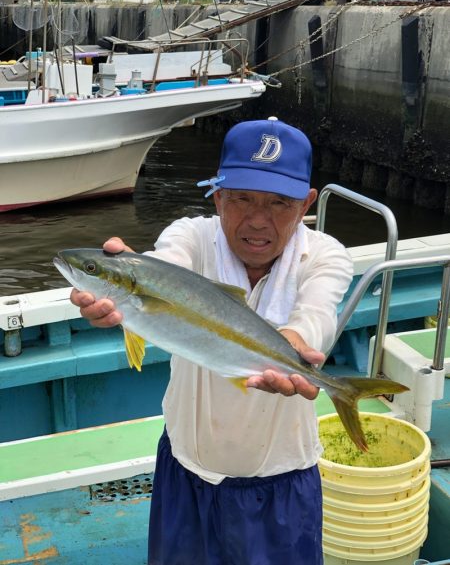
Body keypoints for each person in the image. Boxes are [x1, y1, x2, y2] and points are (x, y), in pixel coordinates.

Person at [70, 116, 354, 565]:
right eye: (241, 198)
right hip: (187, 471)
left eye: (280, 203)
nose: (258, 220)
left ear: (305, 205)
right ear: (218, 195)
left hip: (282, 480)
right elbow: (166, 265)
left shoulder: (324, 255)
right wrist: (129, 283)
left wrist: (292, 343)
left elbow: (316, 312)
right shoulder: (190, 237)